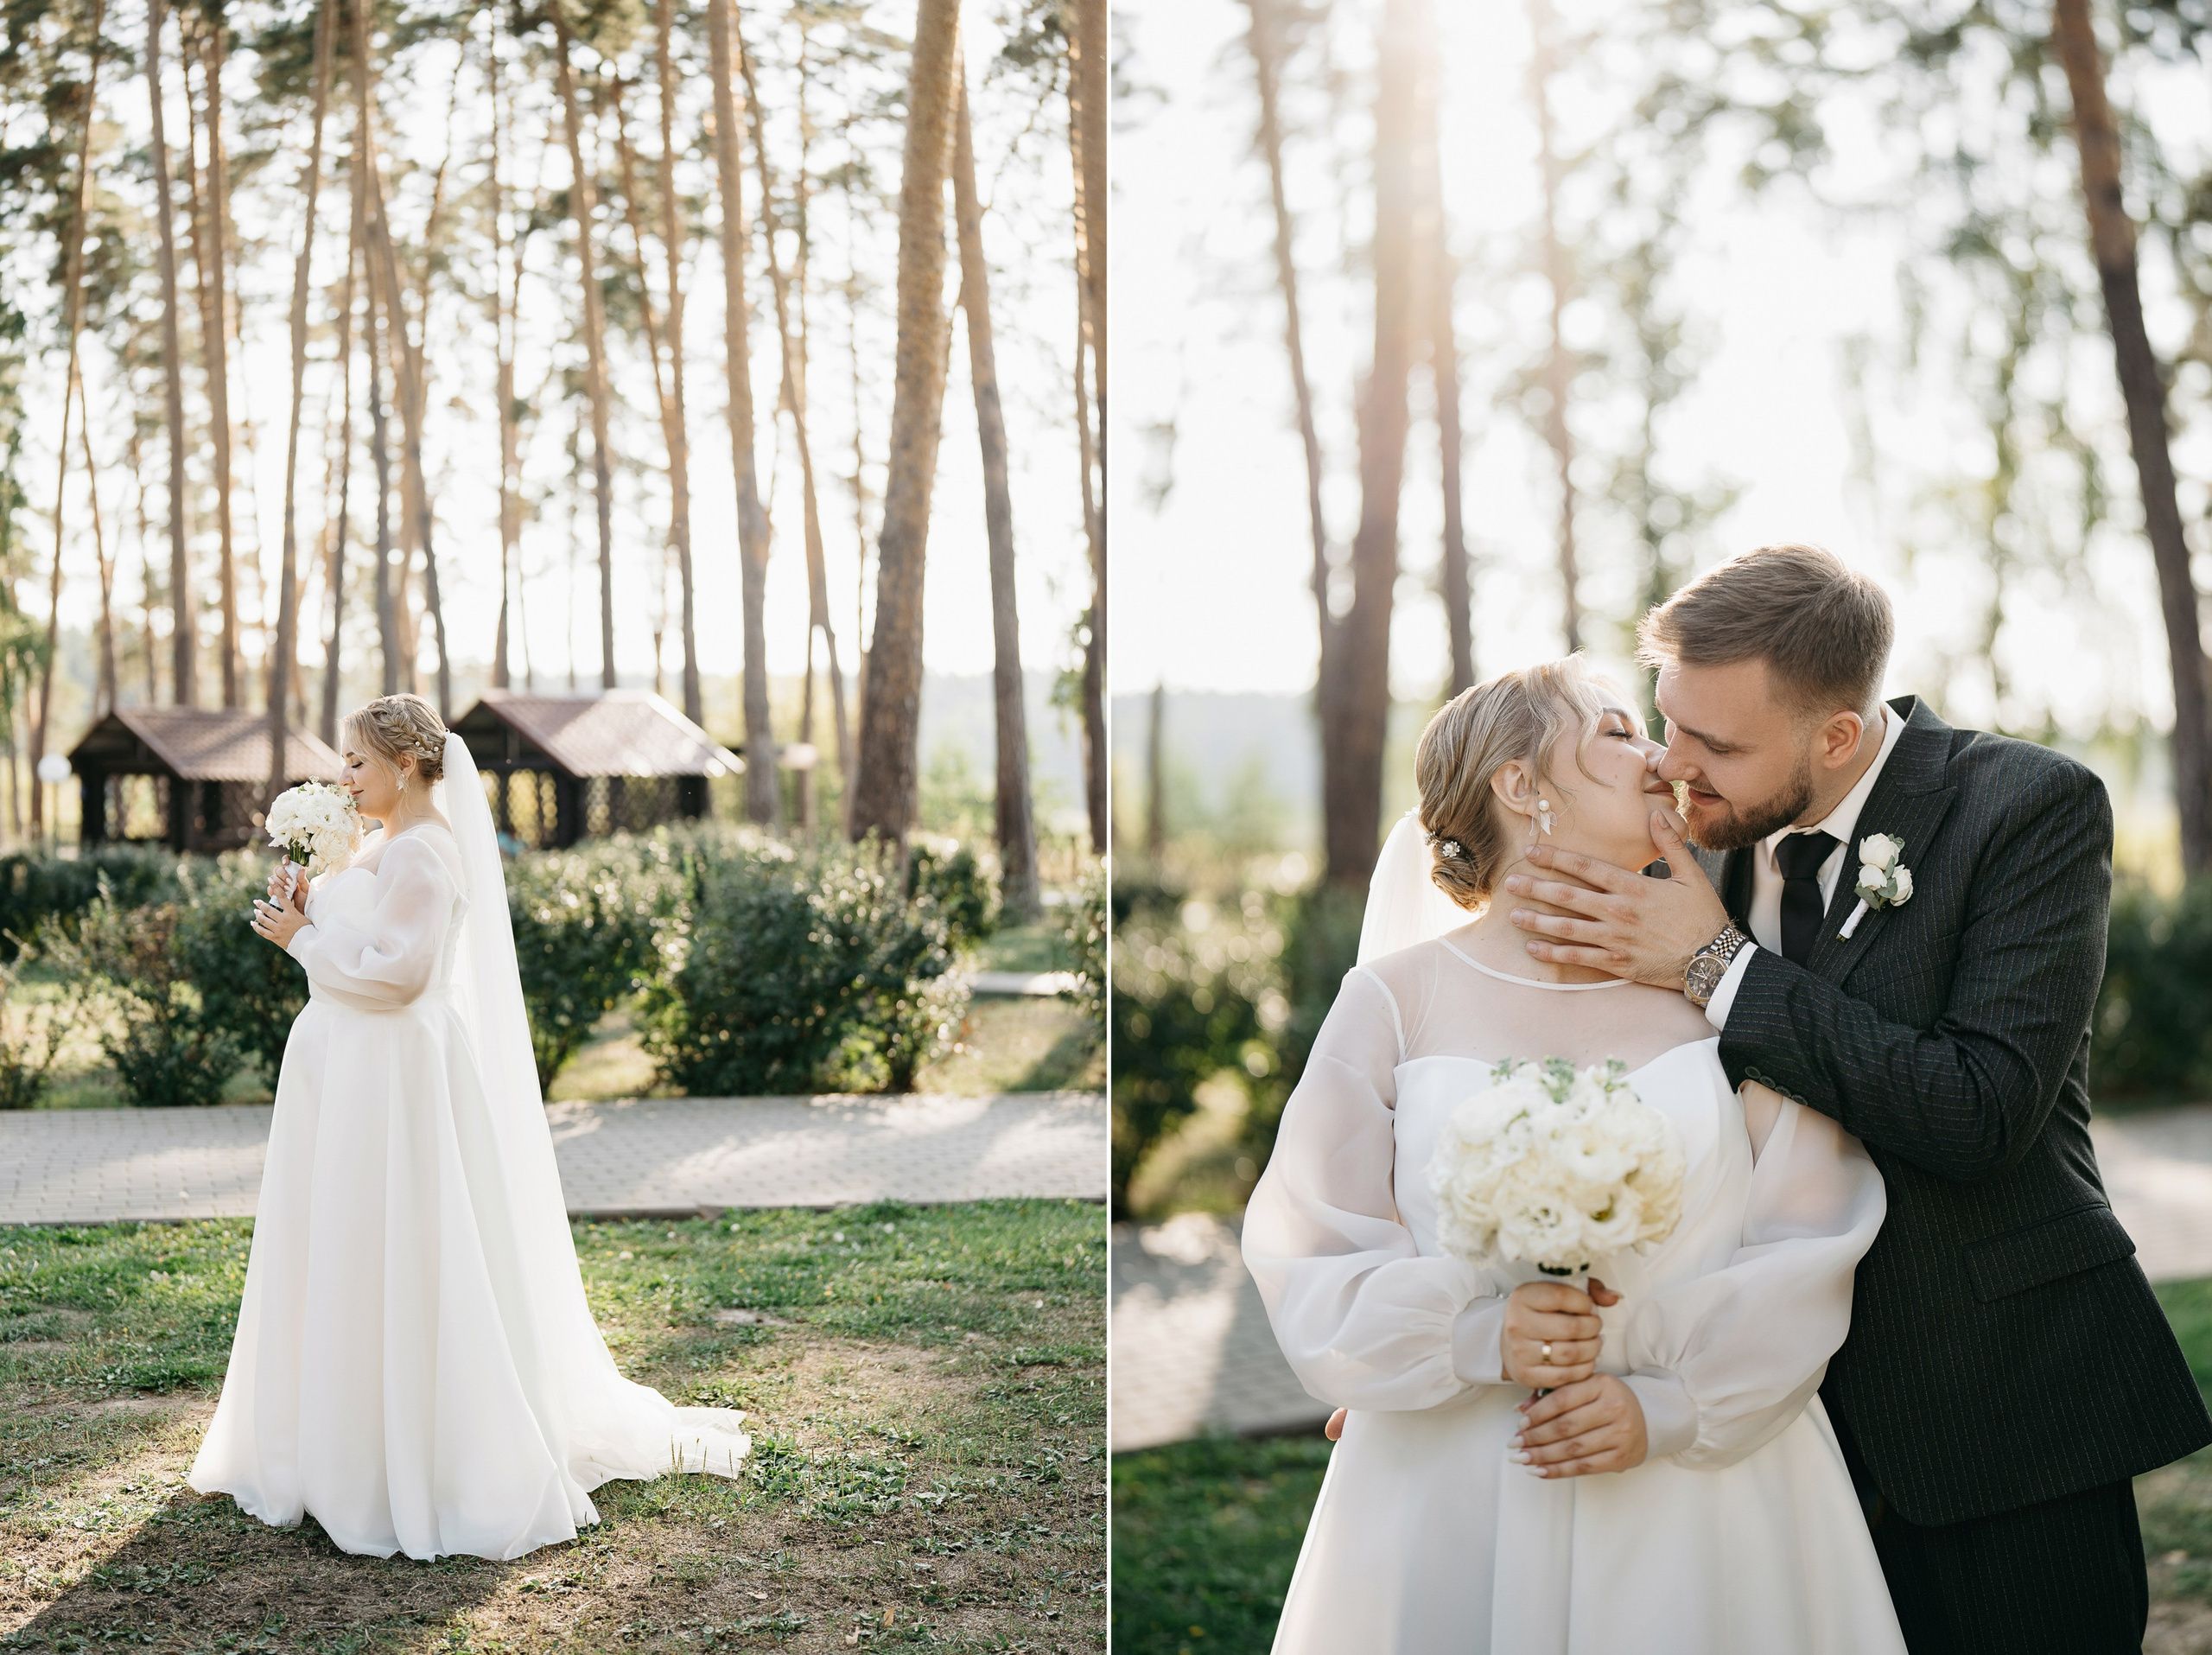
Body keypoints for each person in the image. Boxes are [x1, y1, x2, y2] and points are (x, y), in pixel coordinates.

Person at [1494, 544, 2212, 1653]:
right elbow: (1574, 1105)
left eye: (1715, 744)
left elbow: (1980, 1110)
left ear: (1836, 733)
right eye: (1666, 721)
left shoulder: (2028, 808)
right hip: (1769, 1440)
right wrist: (1440, 1363)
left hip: (1997, 1408)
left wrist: (1718, 968)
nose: (1671, 768)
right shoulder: (1691, 837)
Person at [1244, 655, 1905, 1653]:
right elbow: (1310, 1249)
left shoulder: (1722, 988)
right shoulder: (1393, 999)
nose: (1661, 758)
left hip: (1705, 1498)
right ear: (1519, 785)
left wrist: (1670, 1408)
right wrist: (1471, 1339)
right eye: (1617, 730)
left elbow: (1812, 1230)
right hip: (1455, 1487)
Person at [188, 693, 750, 1561]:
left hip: (394, 1075)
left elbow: (403, 976)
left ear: (405, 765)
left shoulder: (426, 851)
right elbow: (353, 943)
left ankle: (409, 1455)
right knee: (339, 1243)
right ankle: (331, 1438)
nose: (344, 777)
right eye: (343, 762)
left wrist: (302, 941)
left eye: (357, 763)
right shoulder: (372, 846)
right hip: (341, 1072)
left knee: (403, 1247)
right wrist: (308, 901)